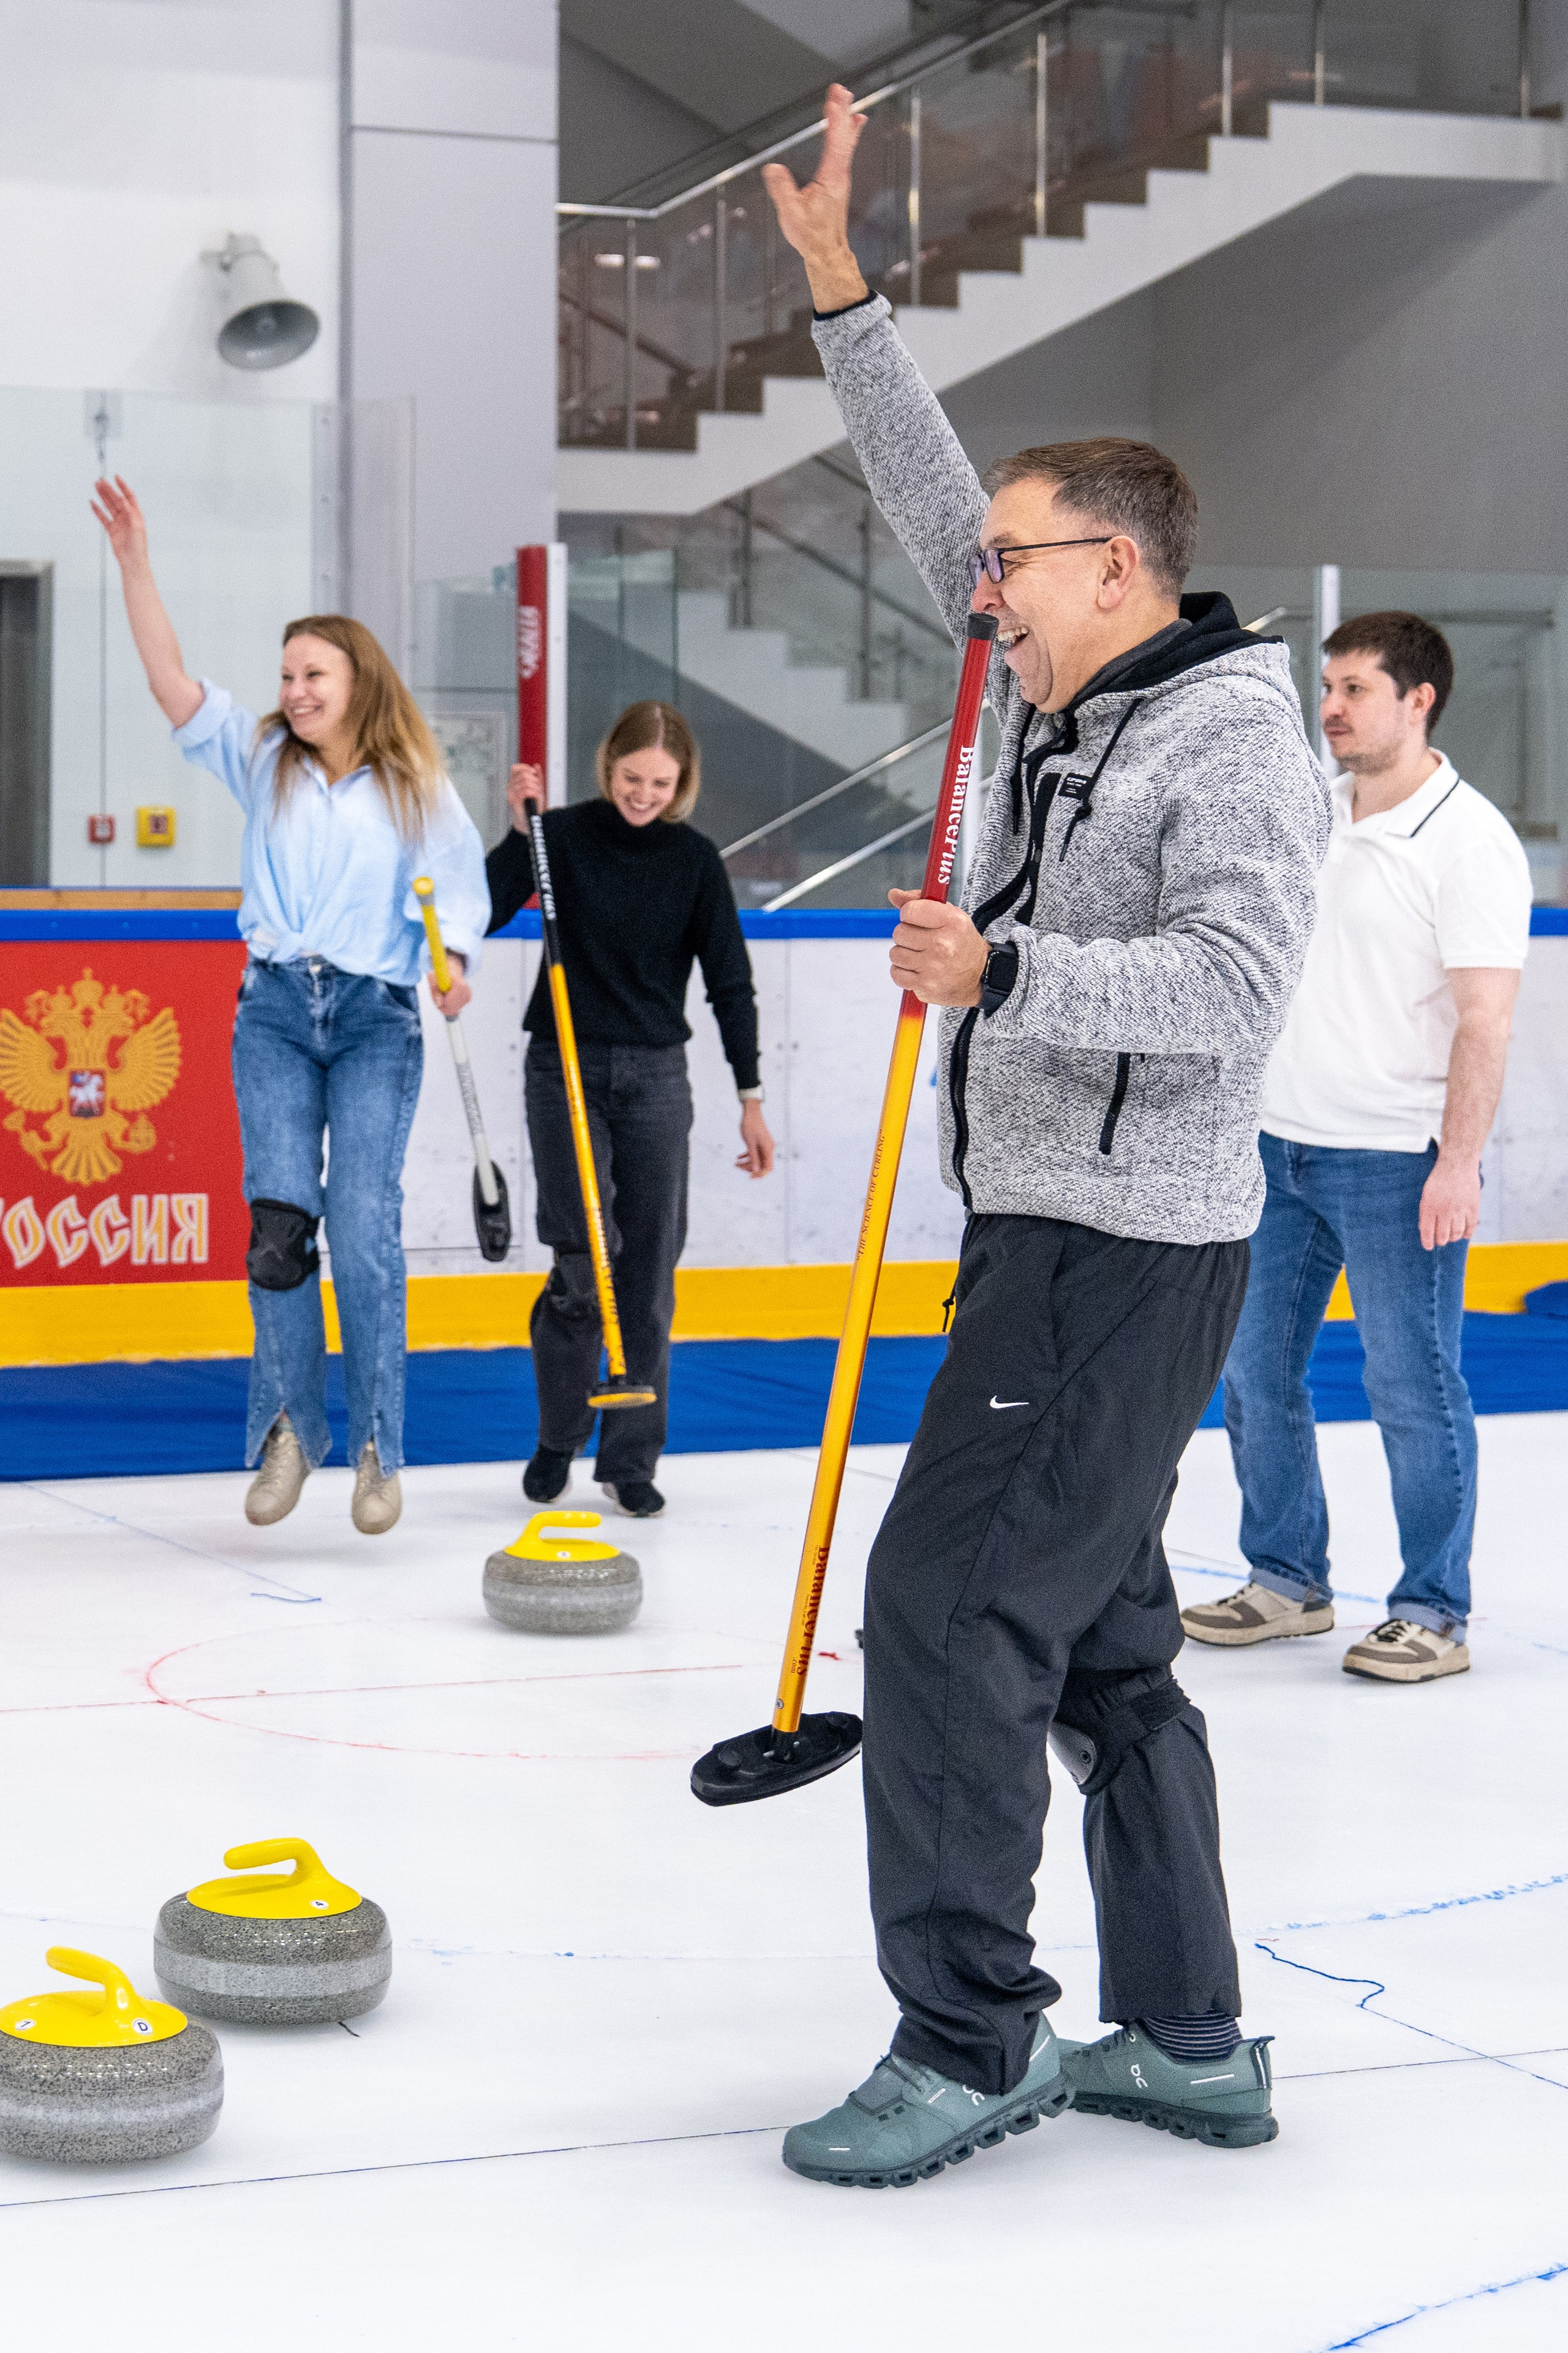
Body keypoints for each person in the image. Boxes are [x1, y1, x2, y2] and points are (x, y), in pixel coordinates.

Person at [756, 87, 1329, 2189]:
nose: (973, 580)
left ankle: (970, 2032)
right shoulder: (1045, 682)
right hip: (1050, 1227)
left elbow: (1234, 998)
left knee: (946, 1609)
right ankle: (1187, 2040)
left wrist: (1006, 981)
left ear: (1116, 564)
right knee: (1104, 1645)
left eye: (1010, 558)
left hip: (1120, 1242)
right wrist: (836, 285)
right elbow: (926, 488)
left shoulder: (1239, 741)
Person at [91, 475, 488, 1537]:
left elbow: (460, 898)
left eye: (313, 672)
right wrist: (136, 563)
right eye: (286, 675)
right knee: (279, 1228)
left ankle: (377, 1448)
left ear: (359, 679)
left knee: (361, 1231)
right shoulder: (261, 755)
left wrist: (452, 961)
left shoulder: (415, 788)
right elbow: (172, 679)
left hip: (373, 1020)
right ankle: (286, 1434)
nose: (296, 689)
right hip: (271, 1010)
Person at [1184, 614, 1531, 1684]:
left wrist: (1458, 1164)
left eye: (1354, 688)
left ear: (1418, 699)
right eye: (1326, 686)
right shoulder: (1313, 813)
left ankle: (1434, 1608)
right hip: (1277, 1152)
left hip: (1396, 1160)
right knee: (1253, 1374)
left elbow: (1486, 1020)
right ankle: (1287, 1580)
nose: (1330, 706)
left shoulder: (1469, 841)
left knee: (1412, 1386)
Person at [486, 701, 775, 1520]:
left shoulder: (692, 861)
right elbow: (481, 906)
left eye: (660, 782)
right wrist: (519, 832)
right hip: (564, 1066)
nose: (643, 793)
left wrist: (751, 1097)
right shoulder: (561, 837)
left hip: (654, 1077)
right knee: (583, 1263)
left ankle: (630, 1457)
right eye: (629, 777)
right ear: (607, 766)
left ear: (682, 784)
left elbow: (730, 984)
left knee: (645, 1269)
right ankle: (558, 1434)